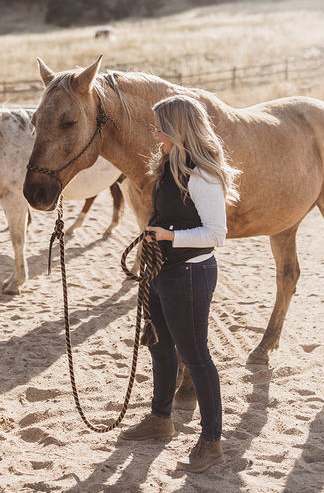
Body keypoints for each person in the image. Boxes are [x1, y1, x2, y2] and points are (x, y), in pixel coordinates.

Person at [120, 94, 239, 473]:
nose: (154, 131)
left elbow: (216, 234)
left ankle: (212, 442)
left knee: (196, 357)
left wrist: (170, 238)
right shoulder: (170, 164)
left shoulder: (202, 174)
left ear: (177, 127)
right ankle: (160, 419)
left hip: (189, 273)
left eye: (159, 125)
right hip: (164, 272)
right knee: (159, 344)